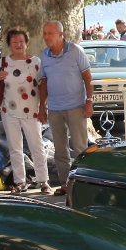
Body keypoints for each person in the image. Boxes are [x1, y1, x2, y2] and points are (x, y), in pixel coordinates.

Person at [0, 28, 51, 193]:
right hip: (8, 110)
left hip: (32, 110)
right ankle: (20, 182)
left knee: (36, 146)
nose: (18, 45)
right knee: (14, 147)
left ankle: (43, 181)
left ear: (27, 43)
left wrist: (43, 106)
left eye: (21, 41)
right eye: (14, 42)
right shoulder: (4, 61)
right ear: (9, 45)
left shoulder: (35, 62)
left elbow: (43, 85)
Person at [39, 20, 93, 185]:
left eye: (50, 33)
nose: (46, 37)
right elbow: (44, 81)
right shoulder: (44, 55)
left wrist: (89, 101)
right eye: (45, 33)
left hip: (76, 107)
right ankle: (65, 184)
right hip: (55, 109)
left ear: (61, 35)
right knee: (60, 150)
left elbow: (87, 77)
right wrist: (42, 106)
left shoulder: (75, 51)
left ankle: (84, 184)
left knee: (80, 148)